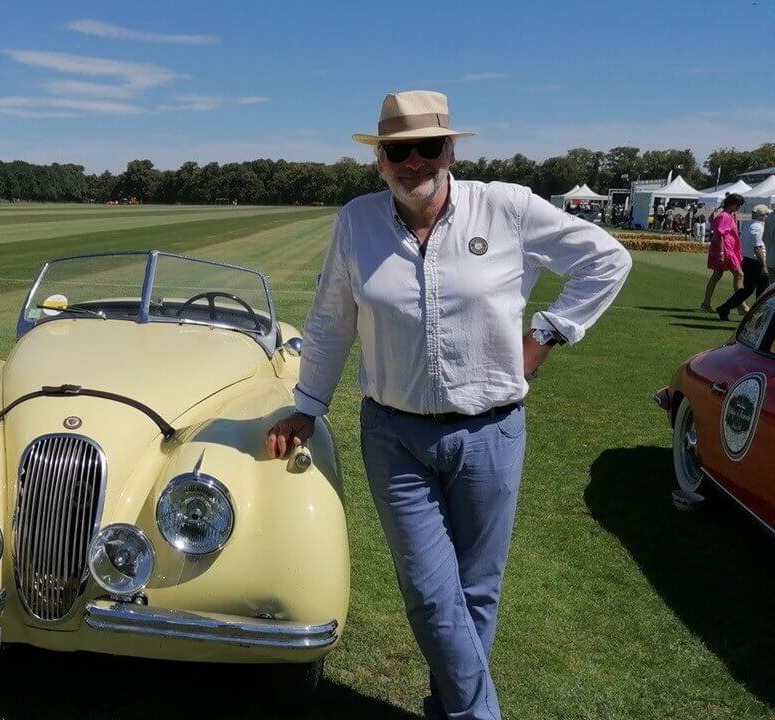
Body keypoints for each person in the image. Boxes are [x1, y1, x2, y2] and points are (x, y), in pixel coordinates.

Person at [264, 91, 631, 720]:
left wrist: (546, 334)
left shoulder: (506, 207)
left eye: (427, 147)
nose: (414, 162)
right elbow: (330, 320)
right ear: (379, 159)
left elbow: (606, 259)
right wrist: (307, 404)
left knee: (476, 593)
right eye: (397, 151)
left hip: (491, 431)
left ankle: (449, 705)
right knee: (433, 595)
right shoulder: (358, 220)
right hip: (394, 435)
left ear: (450, 150)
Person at [717, 204, 770, 320]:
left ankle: (725, 308)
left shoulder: (748, 225)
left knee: (747, 290)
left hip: (747, 260)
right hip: (756, 263)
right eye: (766, 214)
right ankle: (758, 315)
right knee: (762, 291)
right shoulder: (759, 228)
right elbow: (758, 248)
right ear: (761, 216)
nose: (768, 216)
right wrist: (764, 266)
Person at [701, 193, 745, 312]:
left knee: (717, 275)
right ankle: (740, 305)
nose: (739, 207)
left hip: (726, 249)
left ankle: (706, 304)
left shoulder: (727, 215)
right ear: (732, 204)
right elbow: (720, 234)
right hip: (725, 250)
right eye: (739, 205)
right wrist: (721, 252)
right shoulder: (725, 216)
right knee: (739, 274)